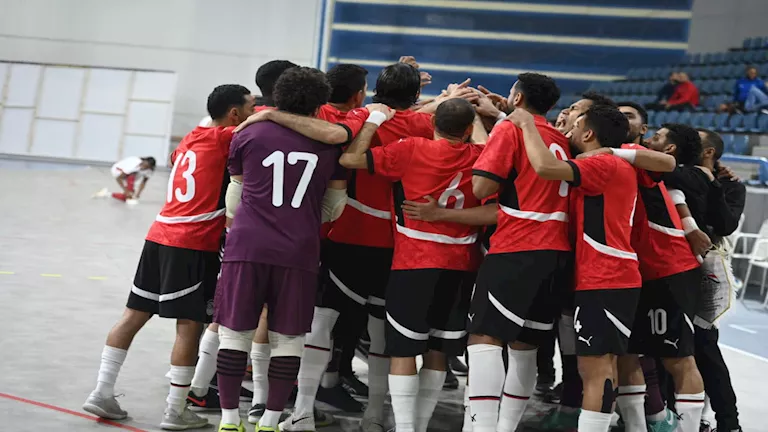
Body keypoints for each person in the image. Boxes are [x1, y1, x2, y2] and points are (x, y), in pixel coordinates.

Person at [213, 67, 391, 432]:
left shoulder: (248, 132)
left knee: (234, 334)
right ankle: (272, 420)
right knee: (289, 339)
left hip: (247, 245)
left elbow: (234, 197)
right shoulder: (330, 143)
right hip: (299, 249)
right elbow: (334, 208)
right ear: (319, 103)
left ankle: (229, 420)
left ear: (277, 96)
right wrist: (303, 217)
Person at [82, 84, 255, 430]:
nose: (255, 112)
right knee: (190, 324)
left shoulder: (192, 137)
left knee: (133, 315)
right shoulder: (228, 138)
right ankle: (175, 410)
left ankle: (102, 390)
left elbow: (181, 161)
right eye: (251, 106)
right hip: (191, 242)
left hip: (158, 235)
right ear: (234, 113)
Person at [507, 103, 675, 432]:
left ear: (588, 134)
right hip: (608, 277)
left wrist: (526, 123)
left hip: (606, 277)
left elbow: (545, 166)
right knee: (604, 366)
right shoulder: (610, 163)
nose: (569, 128)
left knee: (596, 369)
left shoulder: (602, 163)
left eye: (576, 124)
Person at [339, 98, 486, 432]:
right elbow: (486, 147)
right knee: (438, 351)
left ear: (432, 123)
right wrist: (477, 118)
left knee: (403, 351)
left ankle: (405, 428)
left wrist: (373, 122)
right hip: (462, 265)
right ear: (467, 129)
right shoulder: (480, 155)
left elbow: (350, 158)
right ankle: (419, 426)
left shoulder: (410, 148)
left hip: (413, 263)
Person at [466, 72, 570, 432]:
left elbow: (481, 188)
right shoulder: (559, 138)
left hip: (517, 247)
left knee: (485, 338)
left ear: (519, 98)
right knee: (526, 346)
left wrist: (488, 132)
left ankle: (482, 428)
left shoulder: (511, 129)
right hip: (557, 251)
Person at [693, 129, 746, 432]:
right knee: (673, 350)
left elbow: (725, 225)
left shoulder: (730, 185)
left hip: (706, 270)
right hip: (669, 269)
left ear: (709, 152)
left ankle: (728, 422)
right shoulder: (677, 174)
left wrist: (712, 183)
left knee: (705, 348)